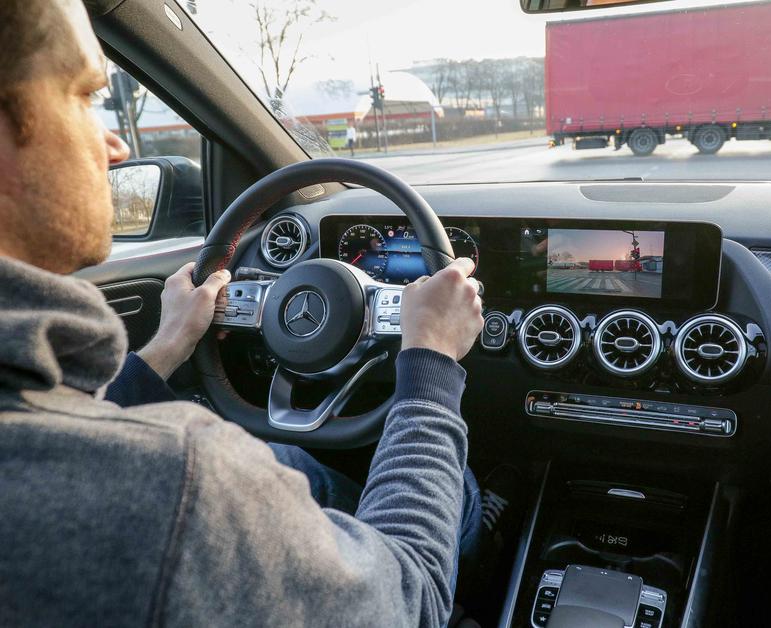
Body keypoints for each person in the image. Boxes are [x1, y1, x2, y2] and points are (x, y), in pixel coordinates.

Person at [0, 2, 510, 626]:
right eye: (84, 97)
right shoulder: (182, 485)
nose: (116, 144)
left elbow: (64, 418)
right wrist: (429, 360)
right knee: (458, 490)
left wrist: (166, 346)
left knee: (288, 464)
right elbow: (411, 599)